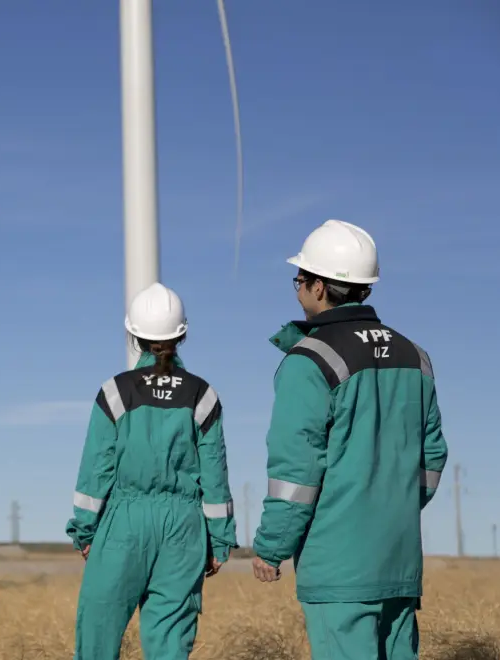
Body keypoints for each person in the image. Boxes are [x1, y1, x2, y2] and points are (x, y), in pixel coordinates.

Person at [251, 219, 448, 659]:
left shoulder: (309, 360)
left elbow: (296, 469)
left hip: (338, 566)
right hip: (399, 560)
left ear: (320, 287)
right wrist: (391, 506)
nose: (297, 289)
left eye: (299, 280)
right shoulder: (416, 356)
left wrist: (271, 547)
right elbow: (432, 456)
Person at [67, 282, 238, 659]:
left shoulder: (115, 392)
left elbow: (95, 471)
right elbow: (215, 475)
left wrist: (85, 531)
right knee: (171, 645)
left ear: (133, 335)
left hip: (122, 524)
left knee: (98, 635)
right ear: (183, 334)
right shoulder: (202, 395)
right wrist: (219, 541)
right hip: (183, 528)